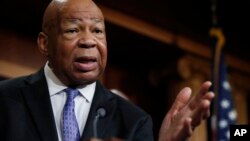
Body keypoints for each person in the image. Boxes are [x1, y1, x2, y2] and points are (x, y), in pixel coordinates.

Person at [0, 0, 214, 141]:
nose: (88, 41)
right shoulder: (5, 98)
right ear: (44, 43)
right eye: (73, 30)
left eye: (97, 31)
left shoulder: (134, 121)